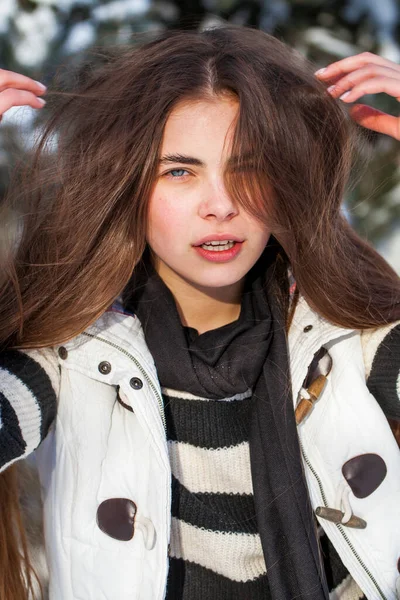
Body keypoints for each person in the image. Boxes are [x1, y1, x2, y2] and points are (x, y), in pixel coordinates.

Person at [0, 26, 399, 600]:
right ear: (129, 184)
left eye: (249, 168)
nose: (221, 206)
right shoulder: (74, 357)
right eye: (180, 171)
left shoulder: (345, 340)